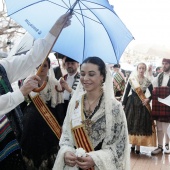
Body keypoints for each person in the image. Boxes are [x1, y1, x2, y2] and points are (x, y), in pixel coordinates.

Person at [0, 13, 72, 170]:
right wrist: (21, 92)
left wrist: (56, 27)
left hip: (9, 139)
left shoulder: (3, 67)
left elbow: (33, 58)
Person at [53, 57, 130, 170]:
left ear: (102, 77)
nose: (85, 78)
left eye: (91, 74)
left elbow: (120, 146)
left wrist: (96, 159)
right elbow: (66, 135)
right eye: (83, 74)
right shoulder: (75, 104)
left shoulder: (114, 108)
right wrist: (66, 151)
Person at [21, 58, 64, 169]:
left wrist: (61, 123)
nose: (42, 68)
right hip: (31, 124)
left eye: (45, 65)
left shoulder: (55, 84)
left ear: (49, 67)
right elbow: (22, 103)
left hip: (49, 123)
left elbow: (59, 106)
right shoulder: (29, 82)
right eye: (39, 65)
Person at [122, 62, 156, 154]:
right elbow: (126, 92)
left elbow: (153, 93)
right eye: (140, 68)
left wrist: (148, 100)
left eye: (143, 68)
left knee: (140, 124)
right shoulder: (132, 79)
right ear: (137, 69)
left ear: (145, 70)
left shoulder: (147, 81)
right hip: (131, 104)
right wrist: (123, 104)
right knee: (132, 124)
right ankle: (132, 145)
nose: (141, 70)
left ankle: (138, 146)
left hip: (142, 104)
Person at [151, 58, 170, 155]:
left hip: (169, 104)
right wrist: (149, 72)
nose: (164, 65)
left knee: (167, 126)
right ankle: (160, 147)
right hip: (159, 103)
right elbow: (152, 86)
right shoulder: (159, 75)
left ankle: (167, 145)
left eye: (166, 63)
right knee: (159, 127)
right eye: (163, 63)